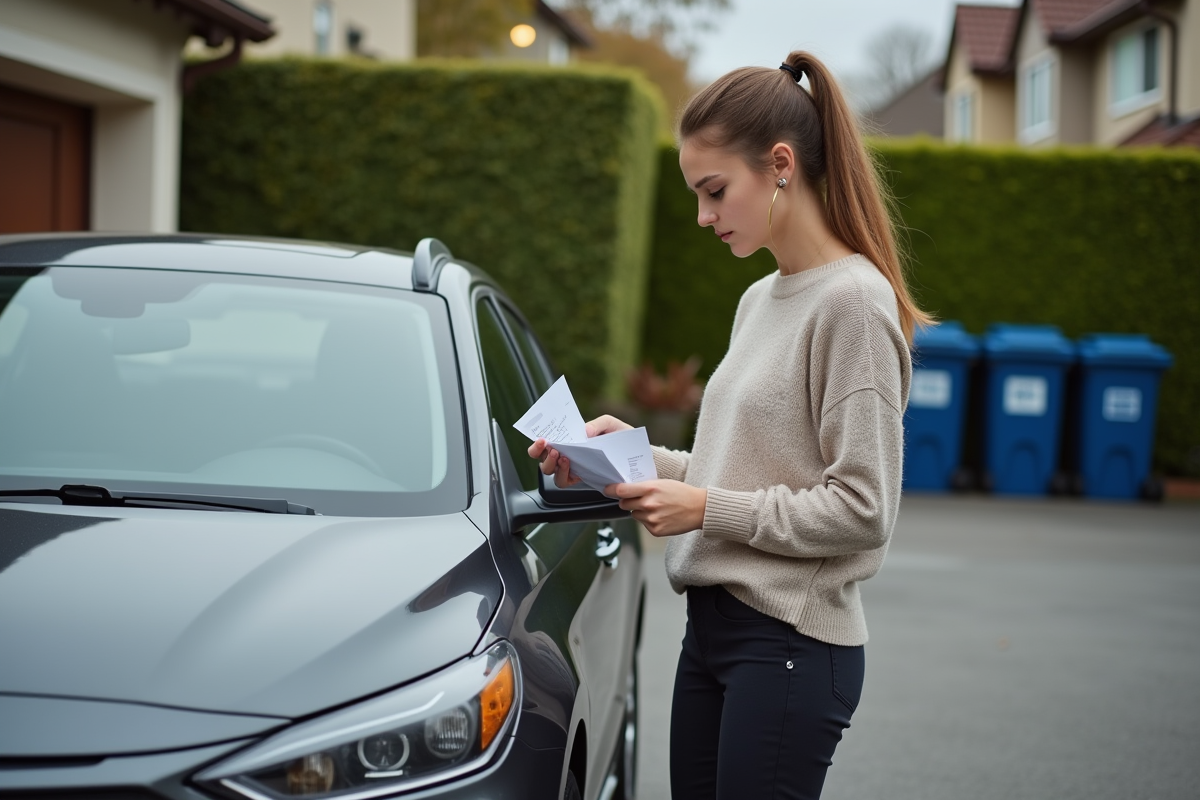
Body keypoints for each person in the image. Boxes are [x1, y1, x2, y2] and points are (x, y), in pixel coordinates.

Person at [529, 50, 931, 800]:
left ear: (780, 165)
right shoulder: (760, 299)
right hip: (713, 634)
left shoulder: (854, 305)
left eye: (714, 191)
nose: (703, 216)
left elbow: (865, 509)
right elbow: (739, 465)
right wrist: (626, 456)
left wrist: (705, 509)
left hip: (790, 644)